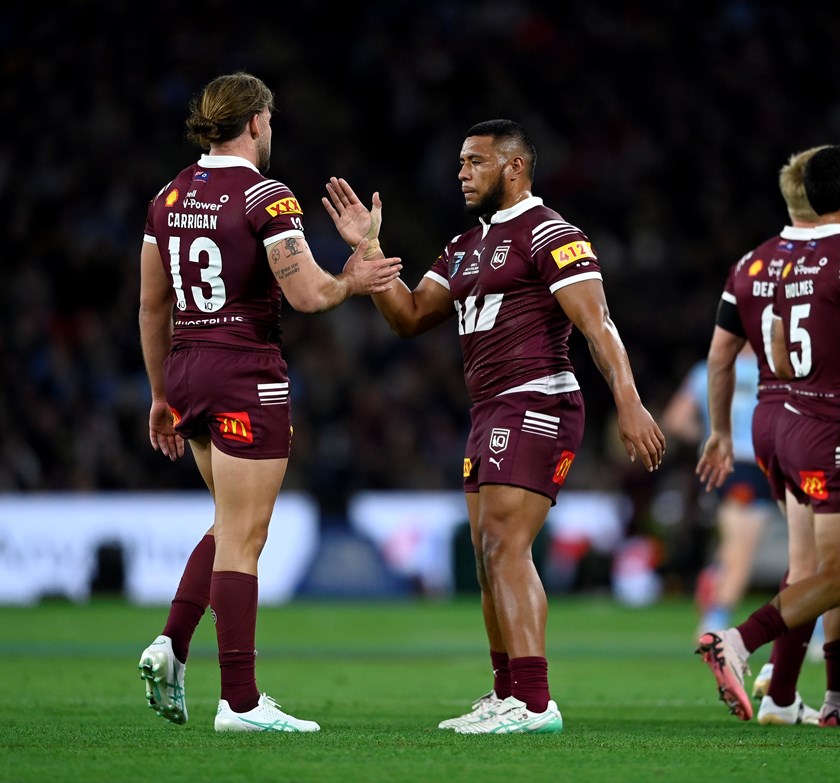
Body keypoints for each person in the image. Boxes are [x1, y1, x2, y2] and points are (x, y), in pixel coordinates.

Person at [322, 119, 666, 734]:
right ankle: (508, 694)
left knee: (506, 545)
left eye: (474, 161)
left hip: (537, 400)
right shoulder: (463, 246)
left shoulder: (552, 234)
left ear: (513, 167)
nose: (460, 172)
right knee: (487, 558)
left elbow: (599, 325)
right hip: (490, 411)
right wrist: (368, 252)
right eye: (460, 162)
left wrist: (630, 400)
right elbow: (406, 316)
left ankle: (535, 703)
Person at [136, 72, 401, 733]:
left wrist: (160, 392)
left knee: (229, 524)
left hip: (188, 368)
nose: (273, 131)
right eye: (272, 121)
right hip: (245, 370)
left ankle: (171, 643)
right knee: (247, 539)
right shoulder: (264, 195)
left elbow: (151, 304)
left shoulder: (166, 197)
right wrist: (355, 276)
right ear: (254, 122)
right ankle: (242, 702)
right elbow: (309, 295)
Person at [696, 144, 840, 727]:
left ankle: (784, 698)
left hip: (770, 424)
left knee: (810, 570)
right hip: (824, 422)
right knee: (834, 575)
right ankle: (739, 640)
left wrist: (718, 433)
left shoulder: (753, 262)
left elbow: (719, 356)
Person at [663, 346, 782, 638]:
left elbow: (676, 420)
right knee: (743, 553)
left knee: (731, 547)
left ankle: (714, 580)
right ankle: (713, 622)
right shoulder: (776, 369)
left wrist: (706, 438)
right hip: (752, 466)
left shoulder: (705, 370)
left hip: (722, 465)